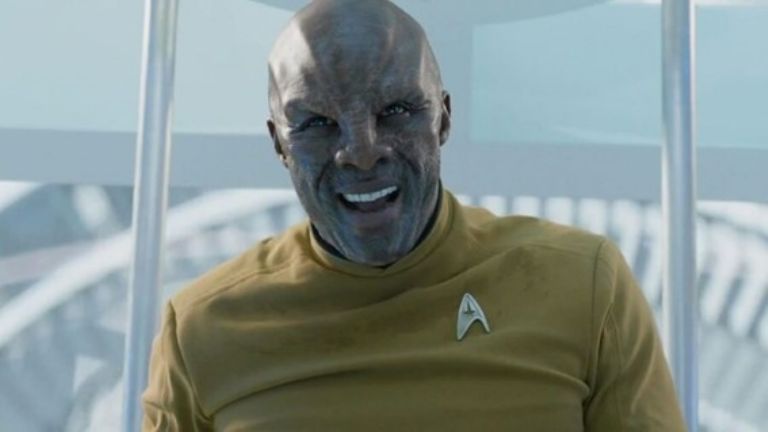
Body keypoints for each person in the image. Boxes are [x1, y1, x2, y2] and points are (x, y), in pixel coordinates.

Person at [142, 0, 687, 430]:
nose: (361, 152)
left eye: (396, 111)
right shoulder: (198, 331)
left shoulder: (584, 285)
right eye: (317, 124)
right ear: (279, 143)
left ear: (443, 119)